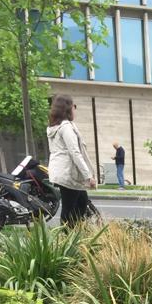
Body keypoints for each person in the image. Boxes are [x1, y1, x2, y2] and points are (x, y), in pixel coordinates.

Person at [46, 95, 96, 225]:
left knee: (81, 202)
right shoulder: (66, 127)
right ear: (67, 108)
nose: (75, 109)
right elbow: (75, 153)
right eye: (74, 106)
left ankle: (74, 230)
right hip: (68, 173)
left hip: (61, 171)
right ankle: (67, 233)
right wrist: (88, 176)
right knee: (69, 208)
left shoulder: (53, 127)